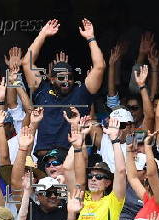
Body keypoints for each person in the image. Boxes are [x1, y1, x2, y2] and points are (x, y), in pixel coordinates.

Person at [21, 19, 105, 155]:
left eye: (70, 77)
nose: (66, 81)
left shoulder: (81, 93)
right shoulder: (42, 89)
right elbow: (26, 62)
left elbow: (99, 67)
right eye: (61, 78)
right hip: (45, 159)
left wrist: (90, 38)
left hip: (71, 157)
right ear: (52, 79)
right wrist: (42, 34)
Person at [74, 117, 126, 220]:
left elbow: (120, 171)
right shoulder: (82, 197)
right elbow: (76, 171)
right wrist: (78, 144)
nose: (93, 179)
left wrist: (115, 140)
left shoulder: (113, 201)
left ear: (108, 183)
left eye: (99, 176)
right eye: (91, 176)